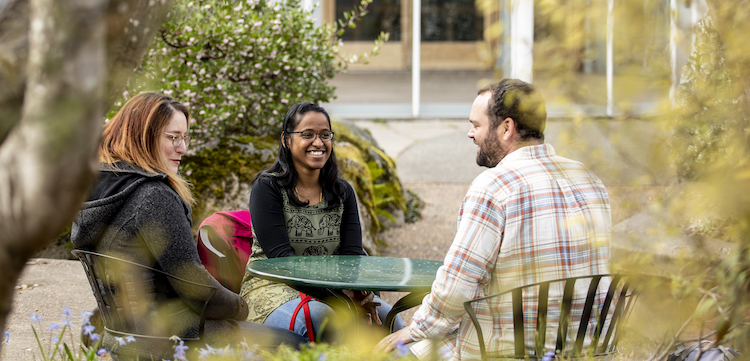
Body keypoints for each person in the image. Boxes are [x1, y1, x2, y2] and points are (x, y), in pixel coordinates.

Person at [376, 79, 611, 360]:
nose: (470, 134)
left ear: (506, 128)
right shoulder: (588, 180)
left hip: (504, 351)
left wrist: (414, 330)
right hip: (588, 350)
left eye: (476, 125)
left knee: (390, 354)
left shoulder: (494, 188)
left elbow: (457, 286)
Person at [71, 92, 303, 360]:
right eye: (173, 137)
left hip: (121, 336)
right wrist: (241, 306)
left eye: (184, 137)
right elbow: (194, 287)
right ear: (143, 135)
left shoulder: (97, 188)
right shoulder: (153, 196)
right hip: (170, 340)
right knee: (296, 344)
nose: (182, 148)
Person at [239, 102, 405, 343]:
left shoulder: (342, 191)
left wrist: (362, 294)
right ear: (286, 139)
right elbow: (282, 263)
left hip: (334, 291)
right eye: (307, 134)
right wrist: (341, 300)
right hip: (275, 290)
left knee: (390, 320)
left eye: (325, 135)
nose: (318, 142)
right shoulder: (268, 188)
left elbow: (351, 256)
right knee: (324, 319)